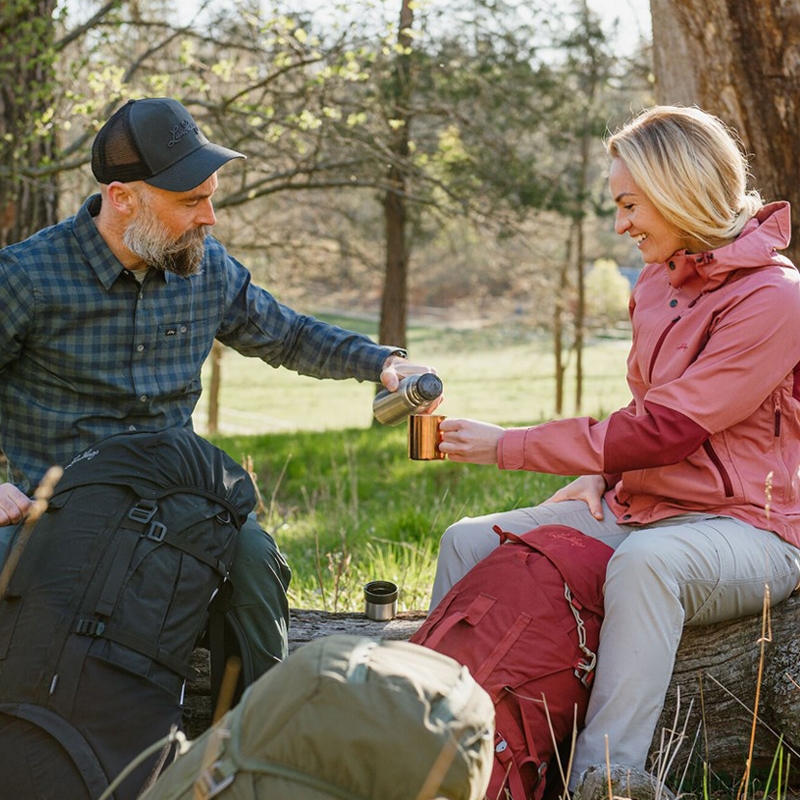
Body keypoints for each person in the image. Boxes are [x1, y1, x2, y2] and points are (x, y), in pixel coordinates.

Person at [0, 96, 435, 682]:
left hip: (177, 499)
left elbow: (289, 335)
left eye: (210, 196)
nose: (210, 217)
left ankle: (261, 722)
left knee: (255, 558)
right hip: (54, 508)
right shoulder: (25, 277)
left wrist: (383, 363)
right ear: (123, 197)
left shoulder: (206, 269)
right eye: (190, 201)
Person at [432, 105, 800, 786]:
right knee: (468, 540)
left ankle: (604, 777)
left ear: (678, 191)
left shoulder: (775, 298)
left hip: (752, 528)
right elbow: (645, 409)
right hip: (645, 509)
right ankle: (423, 742)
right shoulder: (658, 282)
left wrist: (507, 445)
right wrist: (603, 475)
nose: (620, 224)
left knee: (647, 564)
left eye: (630, 204)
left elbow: (671, 429)